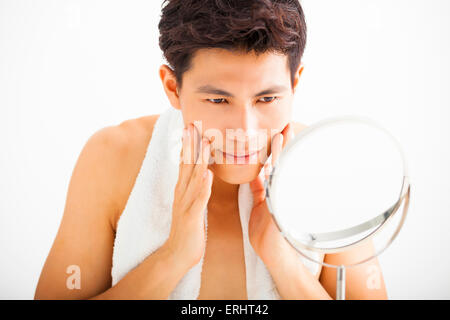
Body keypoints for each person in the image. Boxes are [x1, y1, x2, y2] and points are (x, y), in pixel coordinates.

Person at [34, 0, 388, 300]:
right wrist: (173, 257)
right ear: (173, 88)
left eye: (267, 98)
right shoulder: (113, 158)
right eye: (218, 99)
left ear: (294, 85)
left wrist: (281, 260)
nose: (245, 131)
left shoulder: (327, 165)